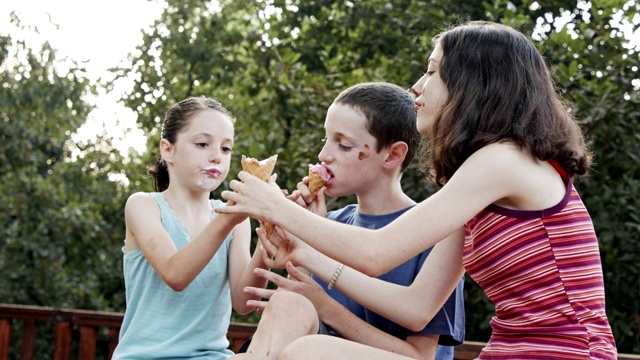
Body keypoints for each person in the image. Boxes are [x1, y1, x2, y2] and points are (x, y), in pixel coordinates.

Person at [217, 21, 618, 359]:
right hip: (505, 351)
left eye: (431, 71)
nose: (416, 86)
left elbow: (377, 253)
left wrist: (274, 206)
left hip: (568, 352)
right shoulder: (475, 182)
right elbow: (415, 307)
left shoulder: (504, 160)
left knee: (309, 353)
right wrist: (304, 253)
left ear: (471, 83)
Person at [231, 82, 464, 360]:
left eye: (343, 144)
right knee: (288, 302)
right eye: (325, 140)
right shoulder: (331, 221)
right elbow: (299, 309)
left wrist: (327, 306)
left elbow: (421, 355)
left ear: (392, 155)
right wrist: (298, 231)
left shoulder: (431, 232)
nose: (324, 155)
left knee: (309, 350)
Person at [112, 96, 269, 359]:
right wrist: (229, 218)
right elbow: (175, 274)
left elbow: (243, 303)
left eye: (226, 149)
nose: (216, 156)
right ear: (167, 150)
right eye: (202, 144)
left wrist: (268, 238)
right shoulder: (143, 206)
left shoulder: (234, 220)